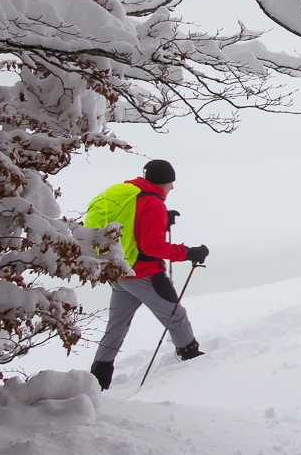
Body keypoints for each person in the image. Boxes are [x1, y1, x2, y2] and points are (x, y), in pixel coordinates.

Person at [87, 159, 210, 390]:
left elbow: (132, 225)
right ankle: (193, 361)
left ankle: (97, 380)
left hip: (120, 272)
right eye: (171, 182)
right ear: (163, 182)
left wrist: (162, 221)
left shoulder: (131, 194)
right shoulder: (153, 203)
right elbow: (152, 247)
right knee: (176, 316)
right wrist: (189, 253)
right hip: (145, 274)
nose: (172, 187)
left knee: (116, 326)